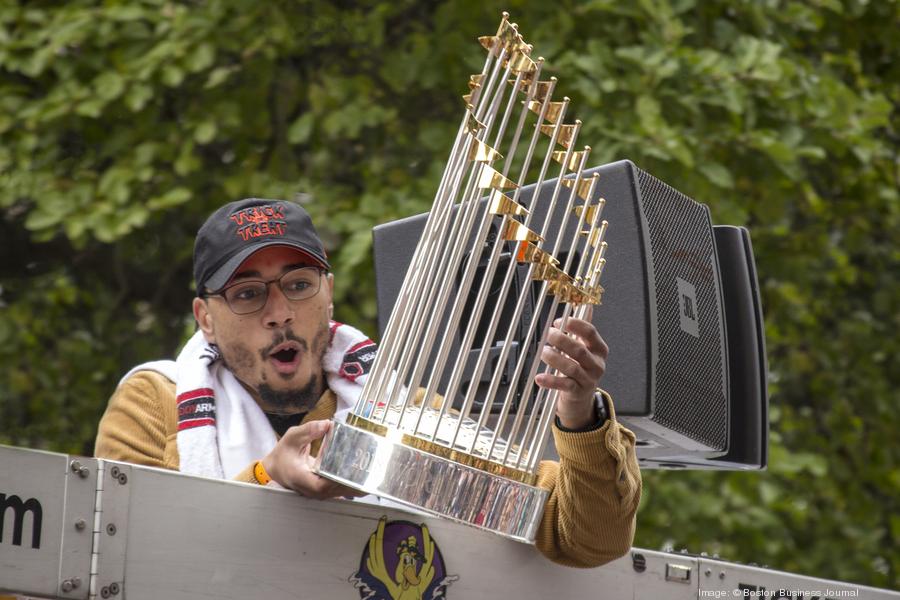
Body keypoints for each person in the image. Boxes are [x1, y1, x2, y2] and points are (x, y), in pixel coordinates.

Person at [95, 198, 641, 568]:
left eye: (299, 284)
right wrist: (267, 479)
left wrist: (578, 409)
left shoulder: (402, 410)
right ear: (205, 317)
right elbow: (124, 561)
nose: (279, 312)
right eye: (247, 293)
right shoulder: (155, 400)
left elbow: (589, 539)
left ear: (328, 294)